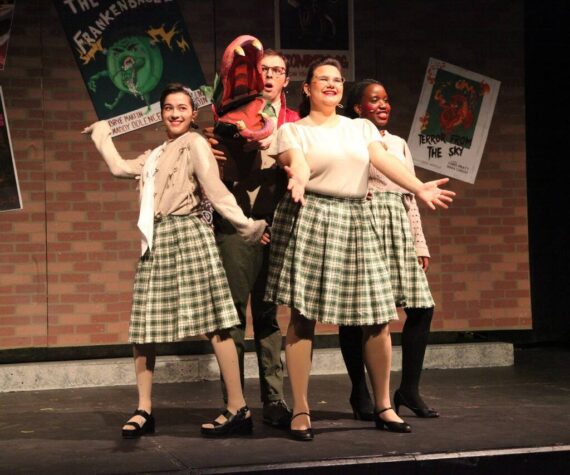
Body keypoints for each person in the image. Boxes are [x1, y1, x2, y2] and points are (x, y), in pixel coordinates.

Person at [265, 58, 454, 441]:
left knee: (378, 314)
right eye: (323, 79)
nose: (332, 85)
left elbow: (382, 159)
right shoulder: (292, 131)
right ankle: (301, 408)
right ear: (307, 87)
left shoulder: (361, 127)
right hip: (313, 214)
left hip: (356, 216)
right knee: (303, 317)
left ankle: (384, 405)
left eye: (337, 79)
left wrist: (417, 187)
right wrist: (299, 181)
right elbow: (295, 163)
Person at [83, 83, 267, 438]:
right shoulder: (156, 154)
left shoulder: (194, 144)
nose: (175, 114)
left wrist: (246, 226)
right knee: (144, 327)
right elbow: (121, 168)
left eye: (182, 108)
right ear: (162, 113)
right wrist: (102, 134)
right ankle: (143, 409)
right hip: (158, 238)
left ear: (192, 114)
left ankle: (238, 408)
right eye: (169, 108)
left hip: (189, 234)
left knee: (216, 321)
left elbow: (215, 190)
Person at [206, 49, 300, 428]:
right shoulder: (228, 115)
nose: (270, 76)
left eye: (278, 70)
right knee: (231, 314)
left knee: (268, 316)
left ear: (287, 80)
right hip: (237, 223)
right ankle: (235, 402)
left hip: (278, 224)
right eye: (264, 69)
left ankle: (274, 401)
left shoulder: (296, 121)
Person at [340, 79, 440, 421]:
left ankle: (408, 389)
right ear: (357, 108)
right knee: (359, 313)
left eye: (386, 99)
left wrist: (419, 241)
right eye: (374, 100)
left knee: (421, 307)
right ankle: (360, 390)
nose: (383, 105)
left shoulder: (397, 143)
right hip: (363, 223)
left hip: (397, 225)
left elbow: (409, 193)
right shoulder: (348, 137)